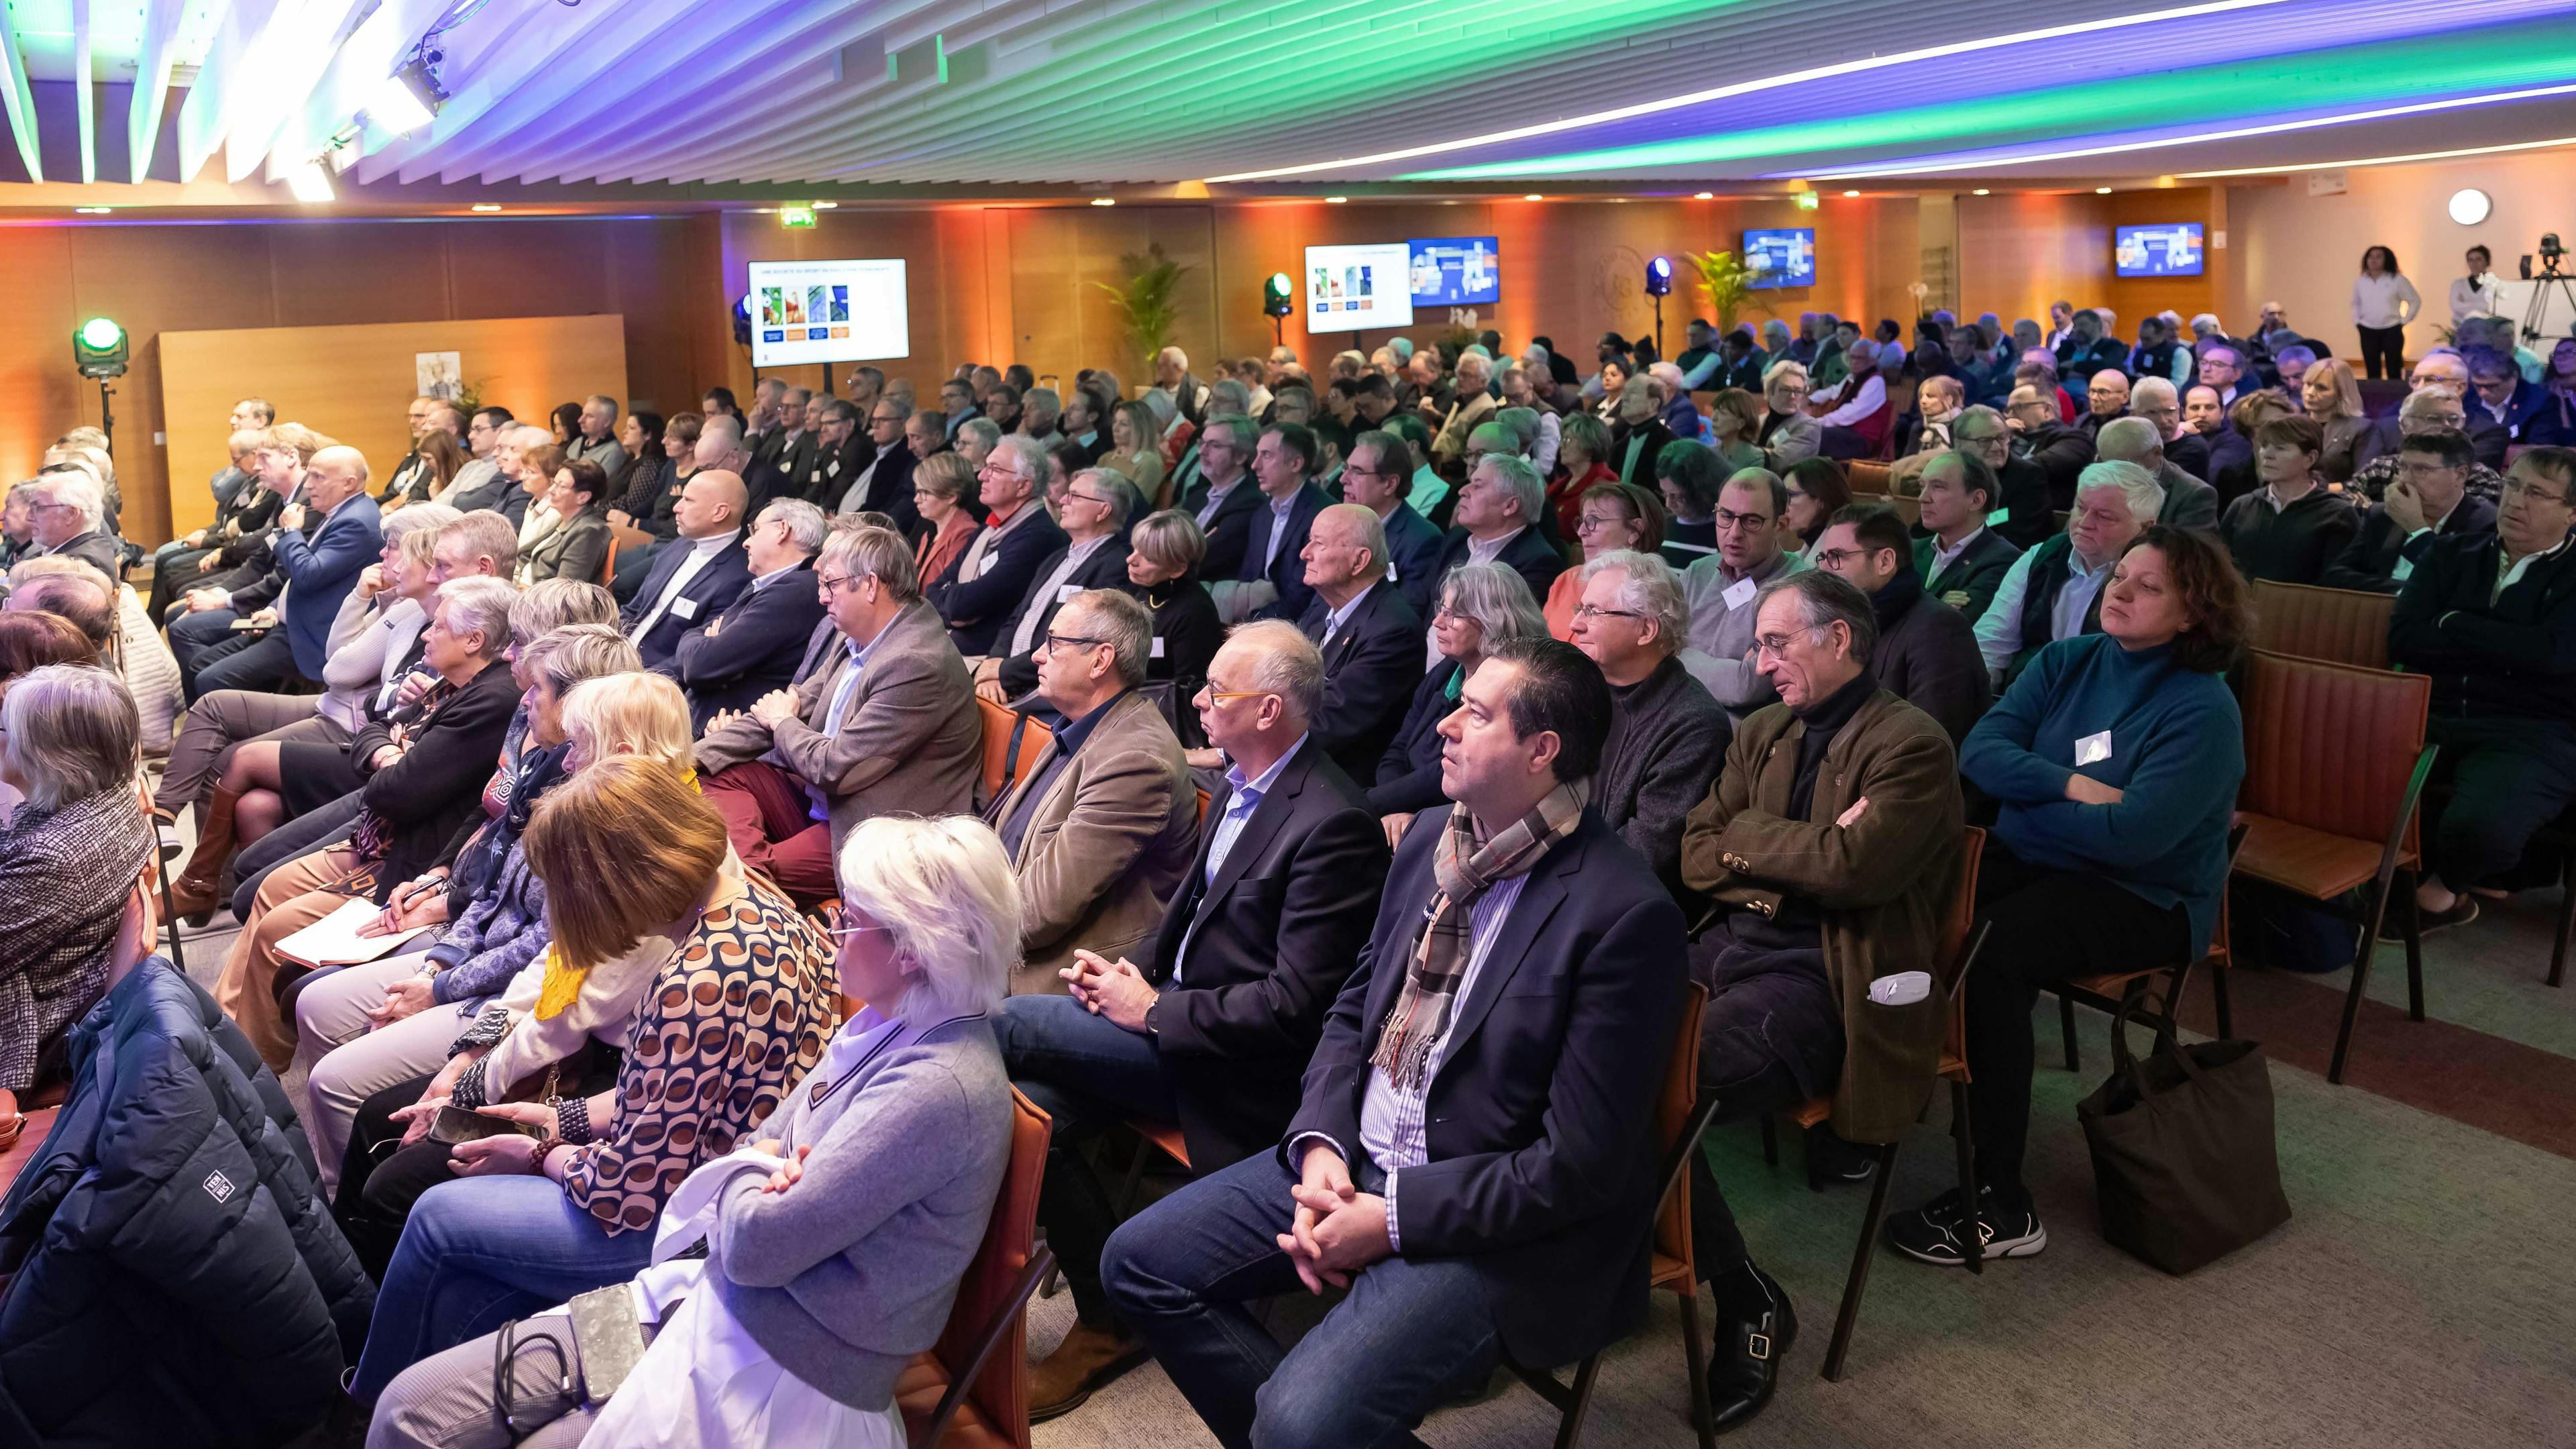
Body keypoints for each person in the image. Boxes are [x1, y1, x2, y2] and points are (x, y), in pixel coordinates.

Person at [1100, 635, 1687, 1449]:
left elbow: (1576, 1166)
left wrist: (1393, 1217)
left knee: (1302, 1421)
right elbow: (1352, 1011)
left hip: (1493, 1219)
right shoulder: (1428, 843)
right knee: (1138, 1261)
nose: (1444, 724)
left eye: (1477, 714)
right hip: (1359, 1157)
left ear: (1542, 751)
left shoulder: (1623, 913)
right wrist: (1320, 1148)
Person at [367, 813, 1014, 1449]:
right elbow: (759, 1146)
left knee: (426, 1415)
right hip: (702, 1302)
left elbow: (756, 1240)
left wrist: (743, 1171)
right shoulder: (890, 1021)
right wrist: (756, 1169)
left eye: (852, 920)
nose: (835, 929)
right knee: (411, 1403)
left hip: (774, 1379)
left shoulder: (937, 1091)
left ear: (909, 949)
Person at [347, 755, 839, 1405]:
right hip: (714, 1186)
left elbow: (625, 1196)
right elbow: (674, 1100)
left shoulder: (697, 982)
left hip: (694, 1231)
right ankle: (399, 1400)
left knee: (437, 1216)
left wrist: (539, 1154)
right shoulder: (762, 909)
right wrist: (560, 1120)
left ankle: (364, 1407)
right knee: (461, 1285)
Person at [1002, 622, 1386, 1417]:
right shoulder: (1248, 782)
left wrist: (1154, 1011)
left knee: (999, 1025)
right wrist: (1131, 972)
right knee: (1025, 1110)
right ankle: (1107, 1322)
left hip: (1232, 1067)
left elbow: (1296, 1008)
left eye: (1220, 692)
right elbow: (1186, 919)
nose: (1201, 702)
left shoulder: (1332, 822)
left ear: (1270, 710)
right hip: (1169, 1025)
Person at [1890, 527, 2245, 1266]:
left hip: (2147, 898)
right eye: (2123, 574)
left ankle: (2001, 1198)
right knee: (1905, 896)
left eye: (2150, 587)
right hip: (2045, 854)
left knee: (1992, 953)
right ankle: (1876, 1100)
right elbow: (1980, 753)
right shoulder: (2068, 660)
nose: (2121, 590)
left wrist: (2028, 800)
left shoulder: (2203, 710)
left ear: (2193, 614)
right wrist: (2070, 786)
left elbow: (2133, 839)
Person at [1673, 569, 1964, 1428]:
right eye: (1760, 644)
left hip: (1832, 977)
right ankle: (1595, 1261)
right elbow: (1694, 851)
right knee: (1565, 1044)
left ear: (1839, 640)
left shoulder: (1912, 744)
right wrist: (1785, 858)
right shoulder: (1763, 730)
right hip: (1728, 945)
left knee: (1651, 1088)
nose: (1761, 665)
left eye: (1775, 643)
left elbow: (1854, 872)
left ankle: (1747, 1298)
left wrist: (1749, 846)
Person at [291, 629, 647, 1201]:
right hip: (484, 971)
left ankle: (339, 1210)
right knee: (313, 1000)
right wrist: (439, 964)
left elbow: (551, 966)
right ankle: (337, 1209)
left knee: (344, 1088)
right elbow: (492, 885)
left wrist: (466, 1052)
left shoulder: (605, 825)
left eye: (539, 688)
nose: (521, 690)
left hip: (521, 1010)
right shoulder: (552, 766)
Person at [211, 577, 525, 1071]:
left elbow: (397, 792)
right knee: (271, 884)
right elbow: (377, 725)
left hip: (403, 855)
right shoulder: (449, 682)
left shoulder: (493, 699)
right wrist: (390, 752)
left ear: (473, 640)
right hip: (382, 834)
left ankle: (252, 1068)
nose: (426, 634)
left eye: (438, 626)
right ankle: (221, 1025)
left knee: (276, 925)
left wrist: (394, 758)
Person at [696, 525, 981, 907]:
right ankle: (749, 878)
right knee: (713, 770)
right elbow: (787, 706)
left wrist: (784, 722)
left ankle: (748, 888)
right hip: (822, 802)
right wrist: (682, 759)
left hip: (872, 831)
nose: (820, 597)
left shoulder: (915, 664)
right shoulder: (861, 635)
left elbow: (834, 768)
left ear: (870, 586)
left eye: (830, 584)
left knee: (723, 875)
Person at [2392, 447, 2576, 932]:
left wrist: (2453, 621)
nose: (2516, 501)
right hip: (2434, 709)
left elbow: (2553, 658)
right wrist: (2507, 645)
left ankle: (2444, 891)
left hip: (2532, 729)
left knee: (2484, 827)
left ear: (2572, 511)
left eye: (2537, 493)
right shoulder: (2454, 553)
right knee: (2332, 768)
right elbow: (2405, 638)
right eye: (2512, 486)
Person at [983, 588, 1198, 993]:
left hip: (1048, 978)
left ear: (1100, 660)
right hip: (1003, 937)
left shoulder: (1136, 761)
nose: (1037, 656)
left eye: (1054, 643)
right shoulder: (1078, 723)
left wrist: (949, 921)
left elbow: (1038, 914)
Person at [0, 663, 153, 1142]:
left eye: (6, 729)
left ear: (47, 755)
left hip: (33, 1029)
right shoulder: (105, 799)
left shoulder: (56, 858)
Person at [1566, 549, 1731, 891]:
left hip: (1608, 898)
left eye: (1593, 612)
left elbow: (1645, 853)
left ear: (1646, 630)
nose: (1575, 624)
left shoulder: (1695, 725)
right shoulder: (1574, 688)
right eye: (1580, 609)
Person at [1371, 561, 1548, 837]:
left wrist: (1369, 802)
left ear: (1492, 621)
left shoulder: (1511, 692)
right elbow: (1397, 749)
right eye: (1441, 610)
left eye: (1453, 615)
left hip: (1460, 826)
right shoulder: (1445, 671)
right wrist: (1391, 808)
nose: (1437, 622)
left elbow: (1449, 773)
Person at [1974, 462, 2162, 688]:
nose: (2085, 523)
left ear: (2145, 528)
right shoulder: (2042, 556)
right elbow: (1992, 645)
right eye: (2081, 508)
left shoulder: (2153, 581)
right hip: (2028, 695)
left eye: (2104, 517)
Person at [1816, 505, 1990, 744]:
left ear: (1885, 561)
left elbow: (1928, 741)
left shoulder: (1939, 629)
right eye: (1823, 558)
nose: (1824, 569)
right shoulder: (1841, 620)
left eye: (1837, 557)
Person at [977, 470, 1140, 702]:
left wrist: (1003, 672)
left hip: (1048, 691)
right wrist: (995, 663)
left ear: (1103, 510)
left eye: (1074, 496)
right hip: (1009, 680)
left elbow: (1075, 646)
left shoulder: (1115, 567)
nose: (1062, 500)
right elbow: (1019, 616)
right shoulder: (1055, 557)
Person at [666, 496, 828, 731]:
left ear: (782, 530)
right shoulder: (765, 584)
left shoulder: (793, 592)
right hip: (702, 718)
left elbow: (701, 665)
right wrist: (703, 642)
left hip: (720, 730)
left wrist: (708, 645)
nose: (746, 543)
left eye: (755, 530)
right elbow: (697, 642)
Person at [1289, 503, 1422, 786]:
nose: (1305, 553)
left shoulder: (1394, 631)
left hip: (1333, 784)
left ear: (1359, 561)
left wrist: (1232, 751)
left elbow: (1329, 722)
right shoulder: (1321, 608)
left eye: (1319, 543)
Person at [1682, 467, 1809, 720]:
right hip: (1674, 719)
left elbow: (1745, 686)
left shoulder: (1799, 587)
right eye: (1726, 516)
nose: (1734, 533)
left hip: (1739, 735)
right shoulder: (1697, 573)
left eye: (1752, 521)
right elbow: (1658, 653)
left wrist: (1679, 656)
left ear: (1781, 525)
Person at [930, 434, 1069, 653]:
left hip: (988, 657)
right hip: (955, 646)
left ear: (1024, 486)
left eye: (995, 469)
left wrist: (952, 602)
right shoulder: (987, 529)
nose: (982, 476)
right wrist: (953, 606)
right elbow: (933, 590)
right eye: (985, 467)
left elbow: (965, 605)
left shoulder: (1038, 536)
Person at [2320, 429, 2498, 593]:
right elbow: (2335, 576)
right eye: (2403, 467)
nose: (2405, 479)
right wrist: (2407, 591)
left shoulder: (2486, 524)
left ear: (2461, 474)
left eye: (2423, 470)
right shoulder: (2383, 514)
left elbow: (2456, 588)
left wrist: (2416, 528)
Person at [619, 468, 752, 669]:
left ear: (719, 512)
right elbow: (635, 609)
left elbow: (694, 658)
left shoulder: (739, 577)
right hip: (618, 656)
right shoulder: (681, 543)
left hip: (650, 680)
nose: (676, 508)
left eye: (688, 501)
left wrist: (637, 680)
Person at [2216, 415, 2361, 584]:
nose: (2267, 455)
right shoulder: (2243, 506)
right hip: (2242, 608)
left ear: (2310, 458)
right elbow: (2219, 568)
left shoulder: (2338, 514)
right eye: (2264, 446)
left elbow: (2338, 582)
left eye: (2280, 448)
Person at [1909, 448, 2025, 626]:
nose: (1922, 498)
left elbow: (1952, 627)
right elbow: (1876, 613)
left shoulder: (2005, 561)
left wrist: (1909, 607)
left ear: (1976, 500)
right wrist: (1935, 604)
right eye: (1922, 486)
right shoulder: (1910, 550)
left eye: (1938, 487)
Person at [1338, 429, 1444, 617]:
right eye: (1346, 468)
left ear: (1389, 484)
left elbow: (1402, 619)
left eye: (1357, 472)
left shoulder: (1422, 541)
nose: (1343, 479)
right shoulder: (1340, 524)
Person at [1553, 480, 1667, 637]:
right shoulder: (1566, 580)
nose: (1581, 532)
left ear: (1635, 530)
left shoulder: (1653, 594)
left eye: (1593, 521)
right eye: (1582, 521)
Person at [2092, 415, 2220, 531]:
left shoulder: (2194, 495)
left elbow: (2191, 553)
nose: (2116, 475)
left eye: (2127, 466)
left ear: (2157, 453)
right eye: (2108, 465)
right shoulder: (2098, 480)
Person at [518, 456, 612, 585]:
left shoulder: (589, 532)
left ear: (583, 497)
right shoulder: (565, 519)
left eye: (560, 486)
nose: (551, 490)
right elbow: (526, 556)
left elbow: (564, 590)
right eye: (554, 484)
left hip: (537, 599)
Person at [909, 449, 981, 582]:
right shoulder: (930, 534)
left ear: (951, 496)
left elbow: (945, 590)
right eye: (917, 491)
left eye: (925, 492)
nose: (917, 499)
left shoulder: (964, 534)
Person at [2353, 244, 2421, 380]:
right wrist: (2357, 321)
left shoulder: (2397, 280)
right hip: (2367, 329)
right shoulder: (2361, 282)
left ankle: (2395, 399)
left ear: (2387, 260)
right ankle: (2374, 398)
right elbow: (2355, 303)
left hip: (2392, 329)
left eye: (2378, 257)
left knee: (2394, 368)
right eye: (2371, 257)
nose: (2374, 260)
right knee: (2372, 369)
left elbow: (2414, 300)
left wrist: (2404, 320)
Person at [1756, 360, 1823, 471]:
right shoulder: (1758, 420)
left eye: (1798, 391)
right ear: (1770, 390)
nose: (1793, 396)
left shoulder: (1809, 426)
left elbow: (1778, 462)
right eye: (1786, 390)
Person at [1782, 456, 1851, 549]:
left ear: (1822, 499)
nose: (1782, 504)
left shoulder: (1841, 553)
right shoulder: (1813, 543)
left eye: (1790, 495)